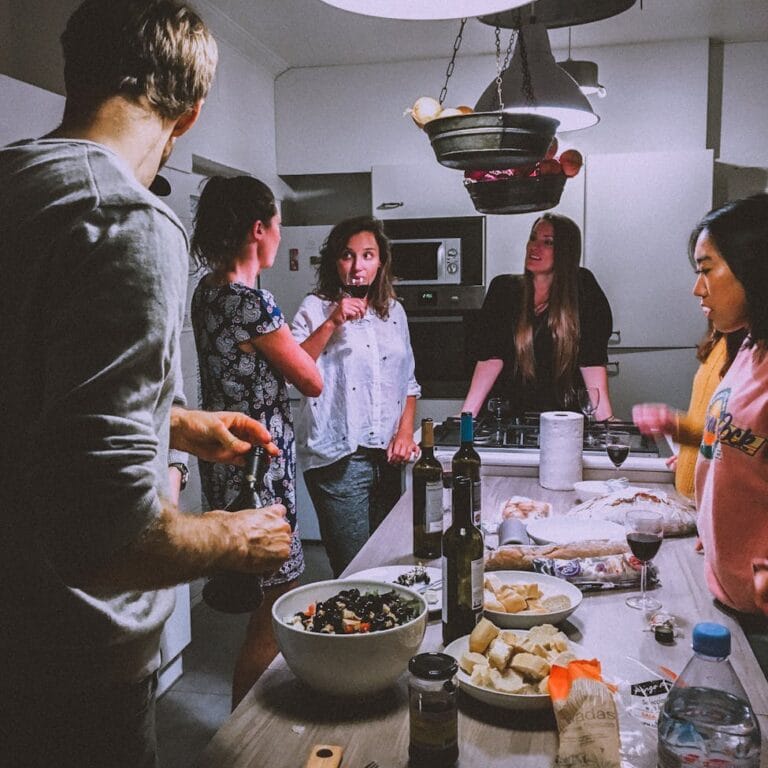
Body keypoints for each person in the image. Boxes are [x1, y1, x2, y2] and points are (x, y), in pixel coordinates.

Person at [0, 3, 291, 767]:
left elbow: (28, 394)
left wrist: (176, 422)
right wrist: (238, 536)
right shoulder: (126, 218)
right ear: (188, 116)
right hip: (67, 669)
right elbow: (104, 536)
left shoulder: (14, 185)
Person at [190, 175, 322, 707]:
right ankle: (242, 740)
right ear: (258, 228)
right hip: (260, 470)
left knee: (265, 599)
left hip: (226, 463)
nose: (279, 239)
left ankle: (251, 726)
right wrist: (333, 324)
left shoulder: (208, 293)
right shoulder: (253, 303)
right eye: (278, 228)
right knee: (276, 603)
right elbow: (309, 378)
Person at [292, 216, 421, 576]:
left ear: (381, 262)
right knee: (355, 571)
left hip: (388, 460)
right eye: (348, 256)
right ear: (336, 262)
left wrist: (405, 432)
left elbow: (408, 381)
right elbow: (294, 370)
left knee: (389, 565)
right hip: (338, 457)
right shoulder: (315, 307)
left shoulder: (394, 312)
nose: (357, 266)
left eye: (367, 255)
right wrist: (333, 321)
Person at [688, 194, 768, 621]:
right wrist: (717, 528)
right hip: (726, 598)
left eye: (706, 270)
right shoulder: (750, 348)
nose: (697, 287)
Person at [461, 213, 615, 421]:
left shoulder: (583, 289)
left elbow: (591, 362)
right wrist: (465, 418)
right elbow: (490, 359)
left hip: (564, 420)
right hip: (508, 418)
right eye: (533, 238)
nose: (534, 247)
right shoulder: (503, 290)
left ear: (565, 252)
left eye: (548, 242)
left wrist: (606, 421)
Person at [632, 325, 746, 499]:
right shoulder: (720, 339)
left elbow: (745, 441)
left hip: (718, 504)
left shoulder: (753, 352)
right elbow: (711, 420)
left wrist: (677, 426)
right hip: (692, 500)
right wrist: (688, 458)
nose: (697, 295)